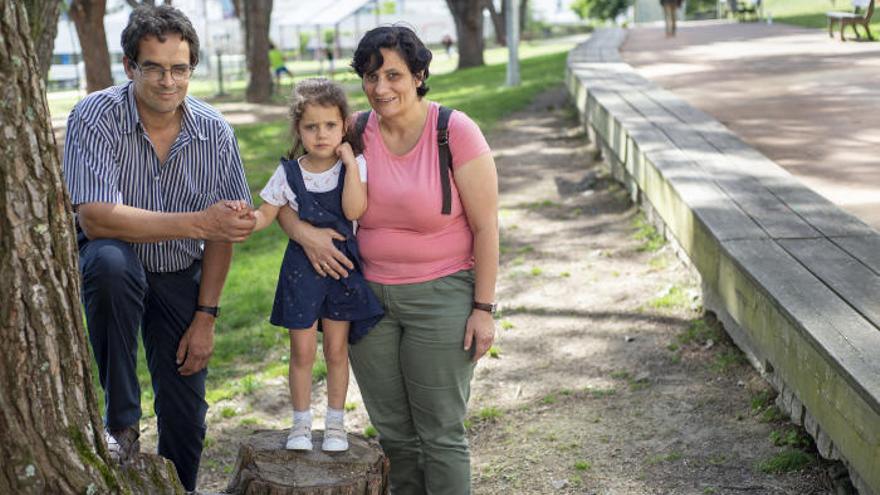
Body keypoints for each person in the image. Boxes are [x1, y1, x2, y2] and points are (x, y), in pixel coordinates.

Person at [277, 25, 499, 494]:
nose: (381, 88)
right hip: (363, 297)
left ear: (419, 75)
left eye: (394, 74)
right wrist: (305, 235)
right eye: (370, 76)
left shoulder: (453, 131)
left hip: (441, 295)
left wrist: (484, 309)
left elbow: (486, 228)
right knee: (396, 436)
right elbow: (288, 192)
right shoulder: (350, 132)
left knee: (440, 434)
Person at [61, 5, 254, 492]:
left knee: (187, 415)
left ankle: (181, 487)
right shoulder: (94, 115)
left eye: (180, 68)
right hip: (115, 264)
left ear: (191, 68)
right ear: (130, 66)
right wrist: (198, 222)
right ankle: (122, 423)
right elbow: (96, 217)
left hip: (178, 276)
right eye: (154, 67)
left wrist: (206, 315)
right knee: (107, 262)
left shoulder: (215, 133)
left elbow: (224, 232)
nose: (168, 81)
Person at [230, 78, 383, 452]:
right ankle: (299, 423)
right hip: (301, 274)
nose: (320, 134)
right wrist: (245, 218)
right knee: (301, 352)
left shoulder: (355, 165)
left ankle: (335, 424)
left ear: (344, 125)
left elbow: (353, 211)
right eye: (311, 127)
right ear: (298, 129)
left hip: (340, 273)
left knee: (335, 350)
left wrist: (348, 161)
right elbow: (266, 215)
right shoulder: (288, 173)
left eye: (330, 125)